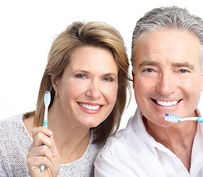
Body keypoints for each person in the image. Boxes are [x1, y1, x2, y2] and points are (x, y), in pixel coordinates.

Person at [94, 6, 203, 177]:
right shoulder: (115, 161)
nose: (165, 88)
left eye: (182, 70)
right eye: (150, 70)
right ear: (134, 77)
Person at [0, 21, 130, 176]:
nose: (95, 93)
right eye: (81, 76)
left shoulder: (112, 158)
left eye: (107, 79)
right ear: (56, 81)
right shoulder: (5, 143)